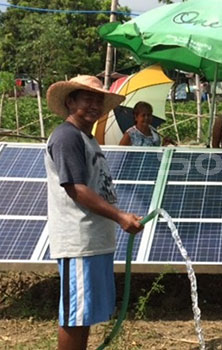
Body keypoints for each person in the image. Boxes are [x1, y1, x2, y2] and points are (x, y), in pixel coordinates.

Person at [45, 75, 143, 350]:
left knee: (84, 313)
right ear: (70, 101)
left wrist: (117, 216)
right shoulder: (66, 137)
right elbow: (77, 189)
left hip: (93, 240)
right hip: (78, 240)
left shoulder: (86, 138)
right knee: (75, 315)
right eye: (87, 98)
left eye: (99, 100)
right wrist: (120, 216)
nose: (94, 105)